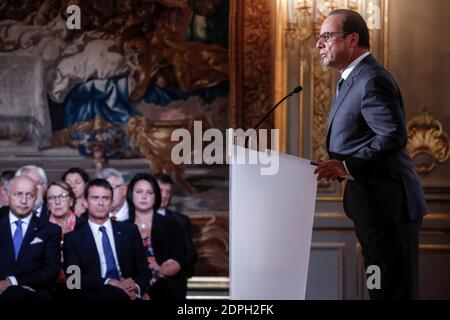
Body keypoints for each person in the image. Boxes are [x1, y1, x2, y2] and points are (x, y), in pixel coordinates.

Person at [314, 9, 427, 299]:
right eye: (319, 37)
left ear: (353, 39)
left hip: (389, 209)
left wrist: (347, 165)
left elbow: (392, 136)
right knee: (378, 287)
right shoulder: (351, 80)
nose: (319, 44)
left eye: (327, 36)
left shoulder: (372, 79)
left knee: (391, 291)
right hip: (372, 207)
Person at [63, 179, 149, 300]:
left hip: (130, 294)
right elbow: (74, 279)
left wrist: (134, 287)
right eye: (95, 198)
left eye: (105, 198)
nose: (101, 203)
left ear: (111, 202)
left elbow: (144, 270)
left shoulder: (129, 231)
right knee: (109, 293)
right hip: (95, 295)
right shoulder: (73, 239)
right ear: (85, 202)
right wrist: (108, 282)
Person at [0, 176, 61, 300]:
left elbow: (51, 270)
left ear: (36, 197)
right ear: (8, 195)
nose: (24, 200)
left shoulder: (50, 230)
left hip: (34, 293)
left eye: (29, 195)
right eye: (18, 194)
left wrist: (13, 283)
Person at [127, 173, 185, 300]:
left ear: (156, 196)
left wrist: (160, 269)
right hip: (133, 286)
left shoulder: (171, 224)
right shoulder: (122, 227)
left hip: (164, 285)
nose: (143, 196)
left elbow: (178, 261)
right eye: (139, 192)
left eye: (149, 193)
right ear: (131, 194)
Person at [154, 172, 197, 296]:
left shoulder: (181, 221)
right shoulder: (135, 219)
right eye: (161, 190)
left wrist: (173, 264)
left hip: (173, 284)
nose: (165, 195)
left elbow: (191, 256)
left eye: (168, 192)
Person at [46, 180, 83, 299]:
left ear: (71, 201)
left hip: (81, 285)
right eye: (51, 198)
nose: (57, 202)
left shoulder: (85, 226)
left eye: (62, 196)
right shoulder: (40, 230)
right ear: (47, 204)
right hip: (49, 285)